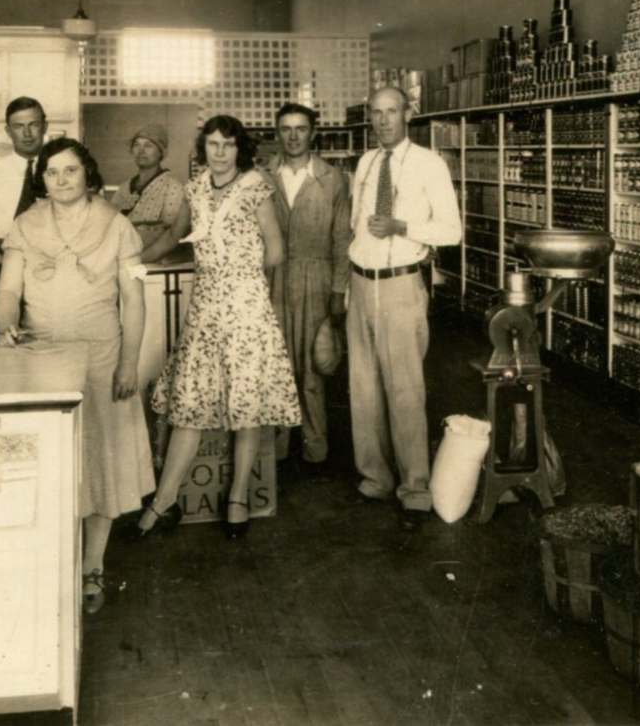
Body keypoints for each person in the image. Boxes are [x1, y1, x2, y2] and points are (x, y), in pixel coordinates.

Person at [0, 138, 153, 614]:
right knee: (51, 463)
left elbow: (135, 300)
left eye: (70, 171)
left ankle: (92, 568)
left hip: (103, 359)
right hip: (41, 358)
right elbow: (7, 291)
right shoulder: (25, 226)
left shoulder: (118, 225)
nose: (62, 181)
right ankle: (52, 563)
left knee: (101, 464)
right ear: (41, 179)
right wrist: (5, 323)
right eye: (52, 173)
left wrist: (129, 363)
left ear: (88, 174)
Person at [138, 115, 300, 541]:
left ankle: (238, 498)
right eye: (213, 144)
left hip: (246, 310)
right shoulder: (193, 190)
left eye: (228, 144)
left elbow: (277, 251)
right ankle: (163, 501)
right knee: (190, 402)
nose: (221, 152)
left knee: (246, 406)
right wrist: (134, 261)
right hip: (206, 309)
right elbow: (173, 235)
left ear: (238, 148)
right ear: (203, 148)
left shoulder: (255, 189)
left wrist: (240, 277)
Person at [347, 86, 461, 530]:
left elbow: (451, 231)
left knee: (406, 390)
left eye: (391, 112)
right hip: (361, 282)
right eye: (375, 113)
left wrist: (401, 225)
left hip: (401, 286)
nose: (383, 121)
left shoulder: (429, 163)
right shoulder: (366, 162)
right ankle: (374, 476)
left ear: (407, 115)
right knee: (363, 388)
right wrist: (347, 289)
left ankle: (415, 488)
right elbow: (357, 227)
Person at [263, 102, 351, 464]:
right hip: (274, 277)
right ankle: (277, 448)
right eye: (286, 129)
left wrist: (338, 291)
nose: (294, 136)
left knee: (315, 363)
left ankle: (315, 447)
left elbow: (342, 239)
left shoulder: (332, 178)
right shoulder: (263, 176)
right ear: (278, 133)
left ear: (313, 133)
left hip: (318, 277)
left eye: (301, 128)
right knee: (276, 362)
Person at [108, 122, 191, 264]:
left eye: (148, 145)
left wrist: (136, 260)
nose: (141, 151)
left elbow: (172, 235)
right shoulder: (124, 188)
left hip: (152, 267)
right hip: (119, 262)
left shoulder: (172, 187)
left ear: (161, 152)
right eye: (136, 145)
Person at [0, 96, 48, 245]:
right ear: (8, 131)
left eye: (34, 124)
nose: (27, 134)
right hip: (1, 259)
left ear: (45, 126)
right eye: (19, 126)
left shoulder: (59, 172)